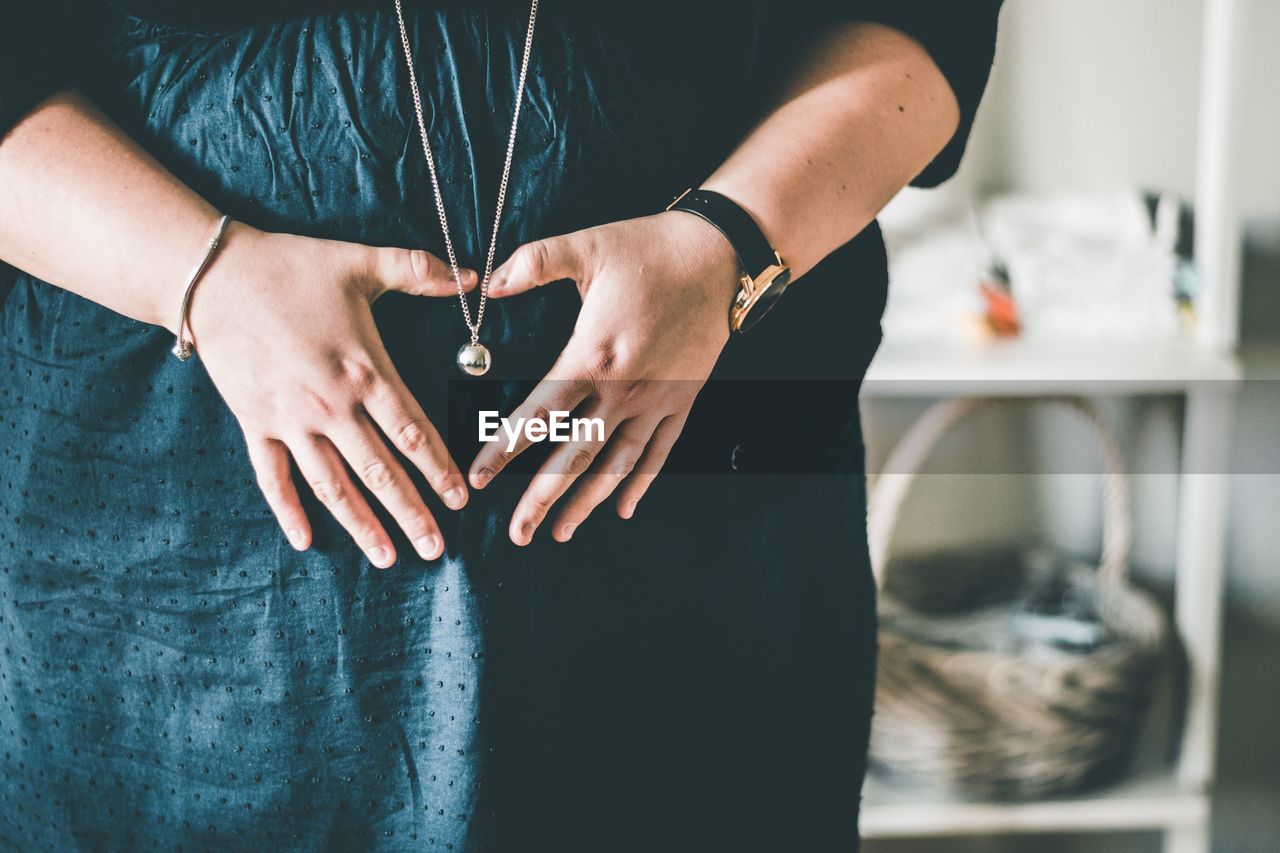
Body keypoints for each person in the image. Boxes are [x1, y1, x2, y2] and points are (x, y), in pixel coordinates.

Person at [0, 1, 1000, 849]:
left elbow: (922, 22)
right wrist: (203, 275)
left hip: (696, 483)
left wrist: (729, 242)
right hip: (180, 520)